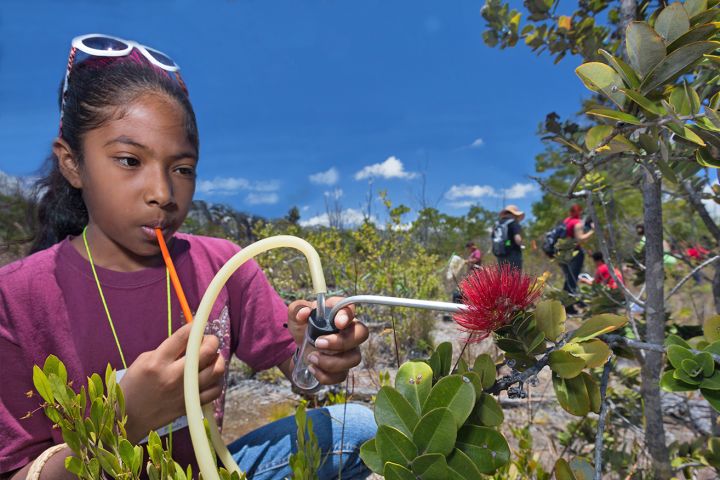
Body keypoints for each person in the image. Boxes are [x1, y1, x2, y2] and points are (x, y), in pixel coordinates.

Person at [0, 34, 374, 480]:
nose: (162, 194)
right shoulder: (16, 296)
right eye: (128, 160)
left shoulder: (224, 264)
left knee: (362, 428)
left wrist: (316, 353)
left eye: (182, 169)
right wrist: (127, 420)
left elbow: (300, 377)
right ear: (73, 163)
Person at [559, 204, 594, 312]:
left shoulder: (566, 221)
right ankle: (568, 307)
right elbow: (580, 239)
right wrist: (593, 230)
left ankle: (565, 303)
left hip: (563, 254)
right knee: (572, 281)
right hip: (574, 254)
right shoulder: (576, 223)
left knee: (569, 280)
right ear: (579, 212)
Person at [491, 205, 524, 270]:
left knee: (503, 275)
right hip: (513, 253)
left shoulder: (497, 224)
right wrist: (521, 244)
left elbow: (493, 238)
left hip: (500, 253)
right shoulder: (513, 222)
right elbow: (517, 238)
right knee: (514, 277)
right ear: (514, 214)